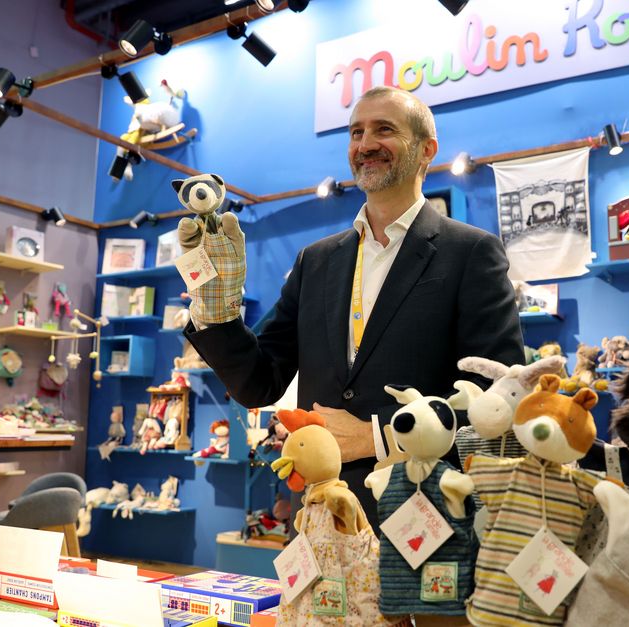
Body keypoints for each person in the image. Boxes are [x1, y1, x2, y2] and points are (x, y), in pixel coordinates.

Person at [180, 86, 524, 529]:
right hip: (321, 519)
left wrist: (375, 436)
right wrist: (216, 310)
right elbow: (260, 384)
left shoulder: (470, 252)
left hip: (426, 519)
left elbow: (498, 399)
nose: (365, 144)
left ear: (426, 150)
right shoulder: (316, 261)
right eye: (356, 132)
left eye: (384, 130)